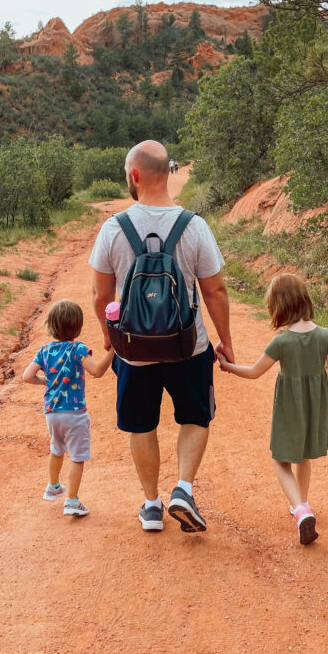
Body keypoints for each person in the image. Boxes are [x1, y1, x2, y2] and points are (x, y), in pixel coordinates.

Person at [90, 140, 234, 533]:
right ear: (168, 172)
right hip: (188, 346)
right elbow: (215, 291)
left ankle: (151, 506)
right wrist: (226, 341)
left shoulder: (113, 229)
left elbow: (101, 295)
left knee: (141, 425)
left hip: (134, 351)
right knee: (195, 417)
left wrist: (109, 338)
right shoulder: (195, 226)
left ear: (133, 176)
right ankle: (183, 488)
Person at [217, 273, 328, 545]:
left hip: (290, 407)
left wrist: (228, 367)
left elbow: (255, 372)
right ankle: (301, 504)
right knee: (304, 456)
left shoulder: (281, 342)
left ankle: (301, 510)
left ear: (278, 306)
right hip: (315, 407)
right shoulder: (325, 335)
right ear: (304, 299)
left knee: (280, 461)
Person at [21, 299, 114, 517]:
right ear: (78, 326)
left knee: (57, 449)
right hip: (74, 414)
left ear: (51, 325)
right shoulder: (78, 349)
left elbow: (27, 377)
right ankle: (72, 500)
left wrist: (46, 381)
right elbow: (97, 371)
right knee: (77, 456)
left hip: (52, 413)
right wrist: (114, 350)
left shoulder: (45, 350)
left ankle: (53, 487)